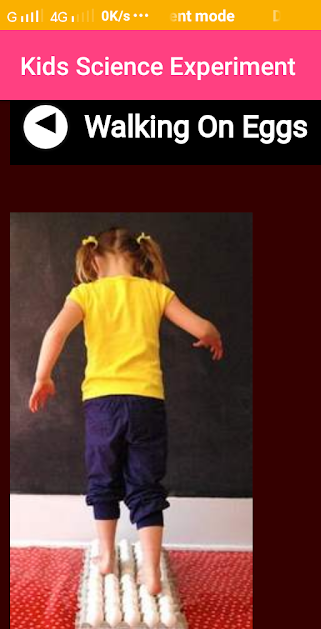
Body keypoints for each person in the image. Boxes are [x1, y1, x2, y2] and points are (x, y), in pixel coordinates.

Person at [29, 226, 223, 594]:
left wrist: (43, 377)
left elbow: (55, 333)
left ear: (94, 260)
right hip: (147, 402)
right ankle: (151, 571)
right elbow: (201, 326)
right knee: (146, 483)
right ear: (139, 257)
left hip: (102, 403)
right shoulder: (156, 291)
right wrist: (211, 336)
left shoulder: (85, 294)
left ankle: (106, 556)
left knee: (103, 479)